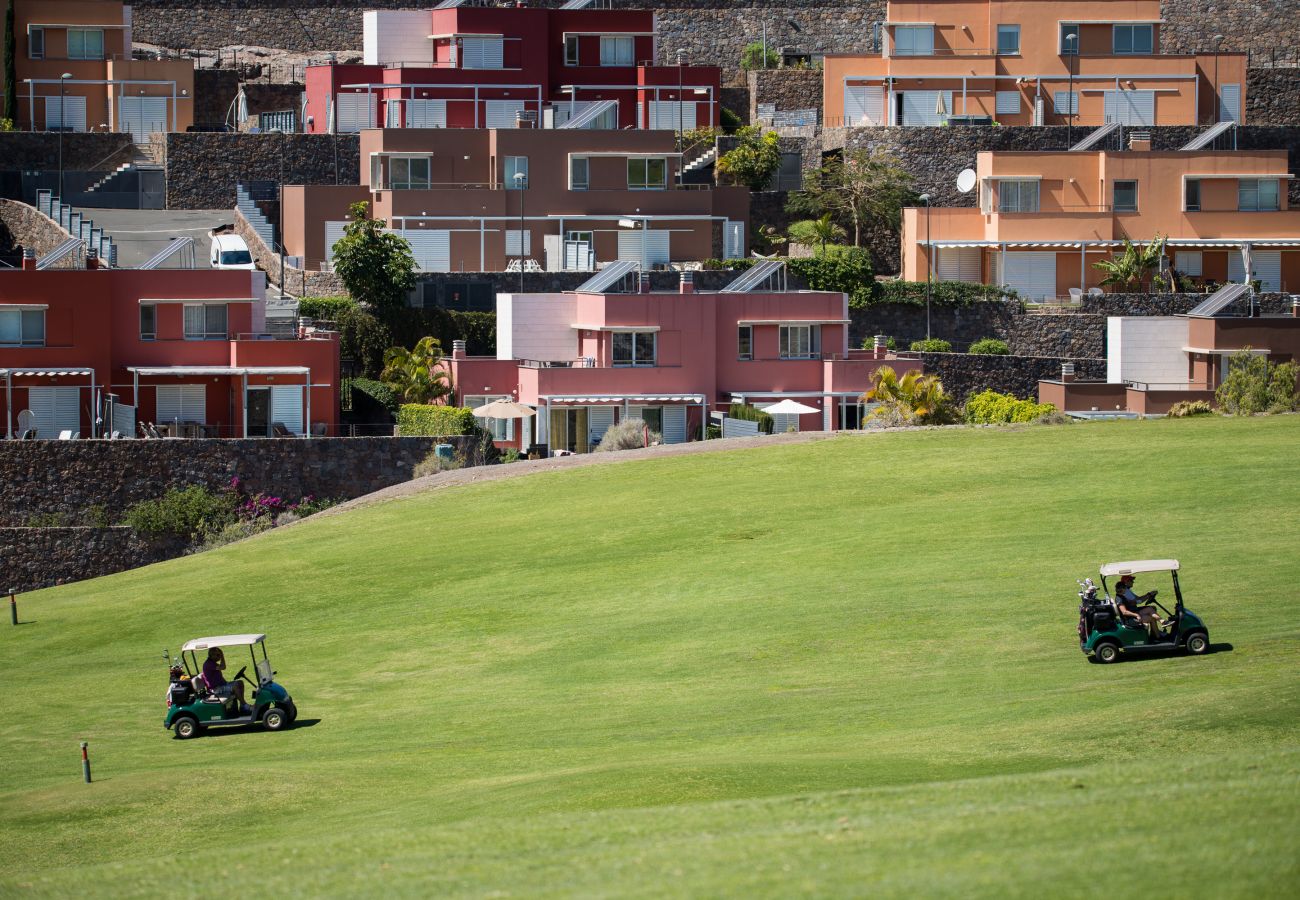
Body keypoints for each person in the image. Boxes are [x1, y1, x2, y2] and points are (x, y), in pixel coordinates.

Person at [201, 647, 249, 713]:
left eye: (219, 655)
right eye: (218, 655)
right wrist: (222, 655)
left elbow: (222, 666)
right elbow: (223, 667)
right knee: (235, 686)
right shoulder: (208, 664)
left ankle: (242, 706)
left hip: (222, 685)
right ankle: (245, 705)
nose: (219, 657)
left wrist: (221, 654)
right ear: (212, 655)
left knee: (240, 682)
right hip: (216, 689)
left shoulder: (212, 662)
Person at [1115, 574, 1162, 640]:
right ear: (1123, 588)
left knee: (1151, 609)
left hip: (1132, 614)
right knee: (1151, 616)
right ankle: (1157, 636)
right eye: (1131, 580)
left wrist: (1148, 595)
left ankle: (1157, 633)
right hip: (1130, 619)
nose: (1133, 582)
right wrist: (1136, 614)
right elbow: (1125, 611)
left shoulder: (1123, 595)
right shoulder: (1121, 597)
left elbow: (1137, 599)